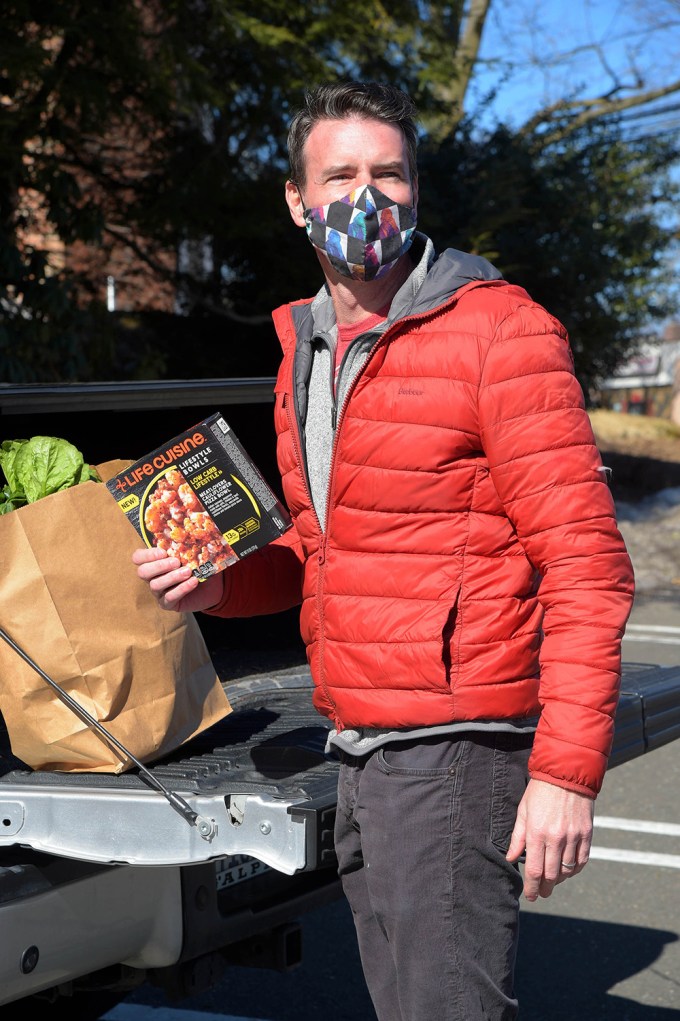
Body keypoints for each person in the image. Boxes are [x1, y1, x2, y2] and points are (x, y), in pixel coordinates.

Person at [133, 80, 635, 1020]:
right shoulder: (305, 350)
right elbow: (319, 554)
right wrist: (217, 585)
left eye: (389, 174)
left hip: (456, 749)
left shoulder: (499, 332)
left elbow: (587, 566)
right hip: (360, 745)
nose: (369, 196)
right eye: (341, 174)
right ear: (297, 200)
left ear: (417, 189)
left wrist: (566, 774)